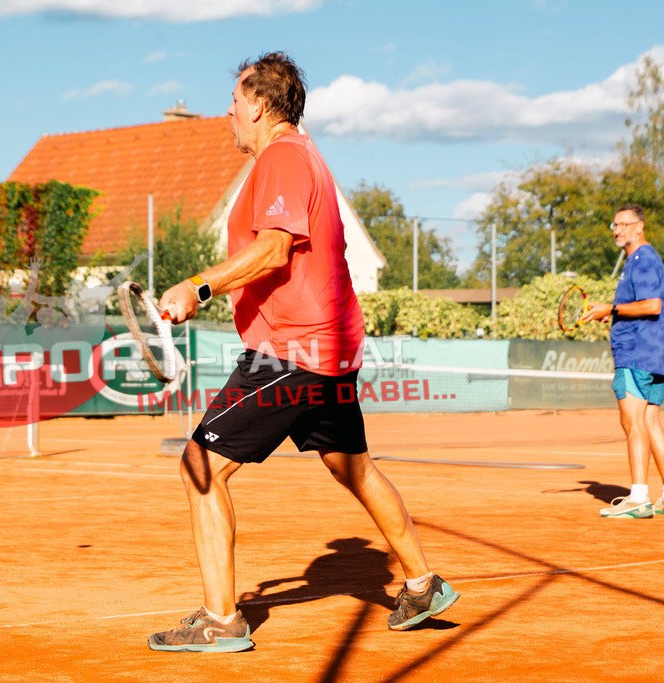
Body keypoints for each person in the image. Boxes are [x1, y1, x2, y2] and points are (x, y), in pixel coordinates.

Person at [146, 52, 458, 653]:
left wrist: (199, 286)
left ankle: (221, 619)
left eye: (235, 100)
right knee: (353, 468)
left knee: (200, 467)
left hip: (292, 351)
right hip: (330, 348)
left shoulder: (284, 156)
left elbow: (275, 249)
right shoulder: (302, 155)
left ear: (260, 104)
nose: (229, 112)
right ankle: (421, 583)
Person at [583, 203, 664, 519]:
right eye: (614, 225)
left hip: (637, 354)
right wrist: (615, 314)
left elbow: (652, 305)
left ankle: (639, 496)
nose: (617, 230)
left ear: (639, 226)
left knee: (634, 422)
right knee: (651, 421)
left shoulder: (641, 259)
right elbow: (643, 307)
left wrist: (611, 310)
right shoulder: (641, 260)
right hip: (655, 354)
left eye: (623, 224)